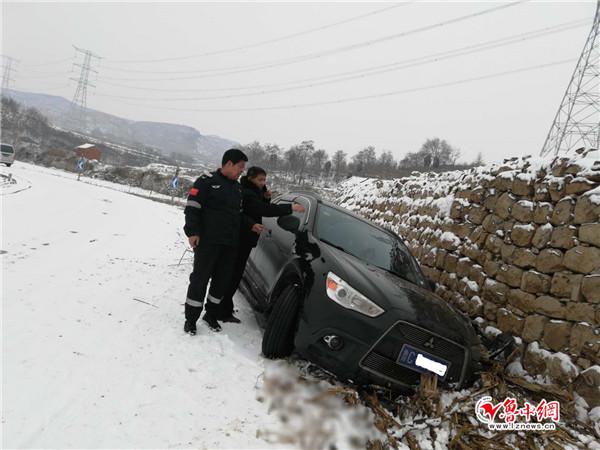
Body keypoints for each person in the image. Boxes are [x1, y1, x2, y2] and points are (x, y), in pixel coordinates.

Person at [183, 149, 264, 335]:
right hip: (208, 242)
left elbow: (238, 214)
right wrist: (192, 232)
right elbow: (192, 208)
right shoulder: (206, 182)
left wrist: (251, 224)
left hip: (229, 244)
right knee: (200, 279)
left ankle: (211, 314)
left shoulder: (236, 188)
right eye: (240, 167)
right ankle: (191, 319)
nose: (241, 172)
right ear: (228, 164)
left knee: (221, 282)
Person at [217, 166, 305, 322]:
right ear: (251, 178)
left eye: (264, 180)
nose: (262, 182)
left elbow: (257, 208)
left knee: (234, 275)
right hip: (240, 238)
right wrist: (290, 207)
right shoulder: (247, 192)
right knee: (232, 275)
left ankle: (224, 307)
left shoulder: (252, 191)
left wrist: (265, 197)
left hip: (244, 238)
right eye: (260, 180)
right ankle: (221, 310)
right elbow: (261, 209)